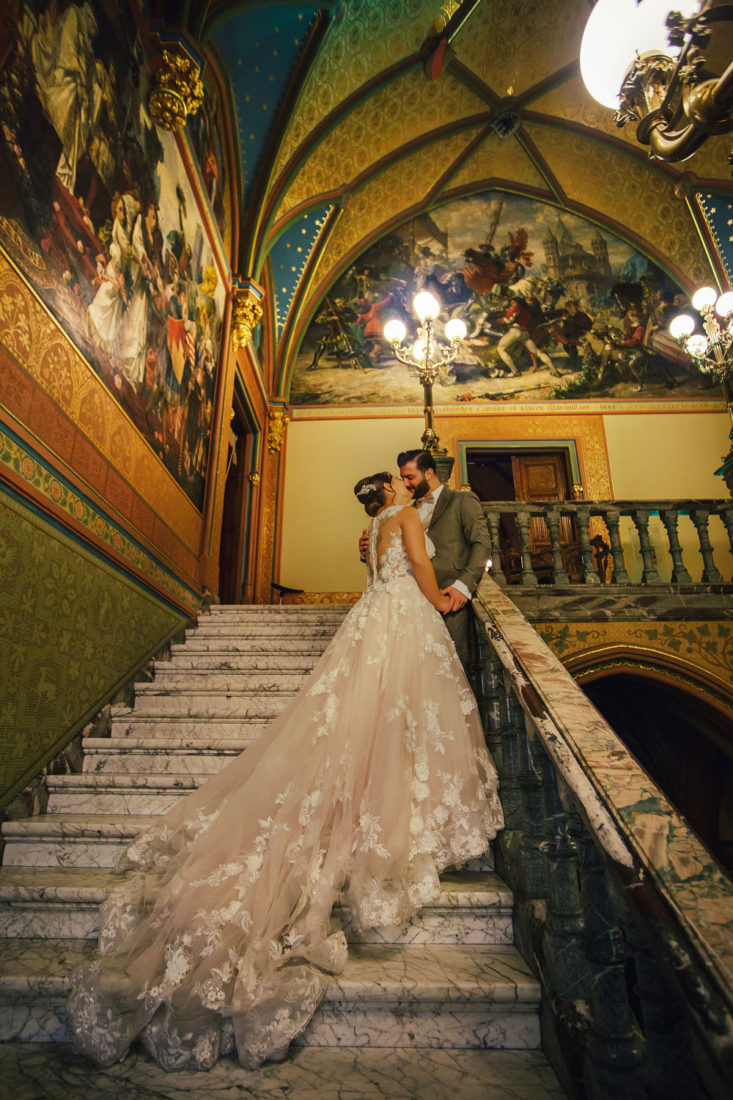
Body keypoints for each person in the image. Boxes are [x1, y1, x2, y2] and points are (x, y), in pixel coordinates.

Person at [68, 470, 503, 1072]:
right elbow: (421, 574)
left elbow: (377, 577)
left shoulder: (370, 527)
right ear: (395, 493)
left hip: (372, 616)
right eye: (401, 483)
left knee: (367, 713)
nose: (408, 487)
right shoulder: (405, 518)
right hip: (405, 618)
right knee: (401, 712)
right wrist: (438, 600)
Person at [360, 451, 491, 669]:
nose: (406, 483)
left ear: (429, 473)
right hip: (409, 604)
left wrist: (463, 585)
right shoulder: (404, 511)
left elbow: (482, 544)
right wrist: (367, 551)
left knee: (452, 669)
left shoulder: (462, 500)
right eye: (402, 478)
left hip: (449, 599)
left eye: (410, 477)